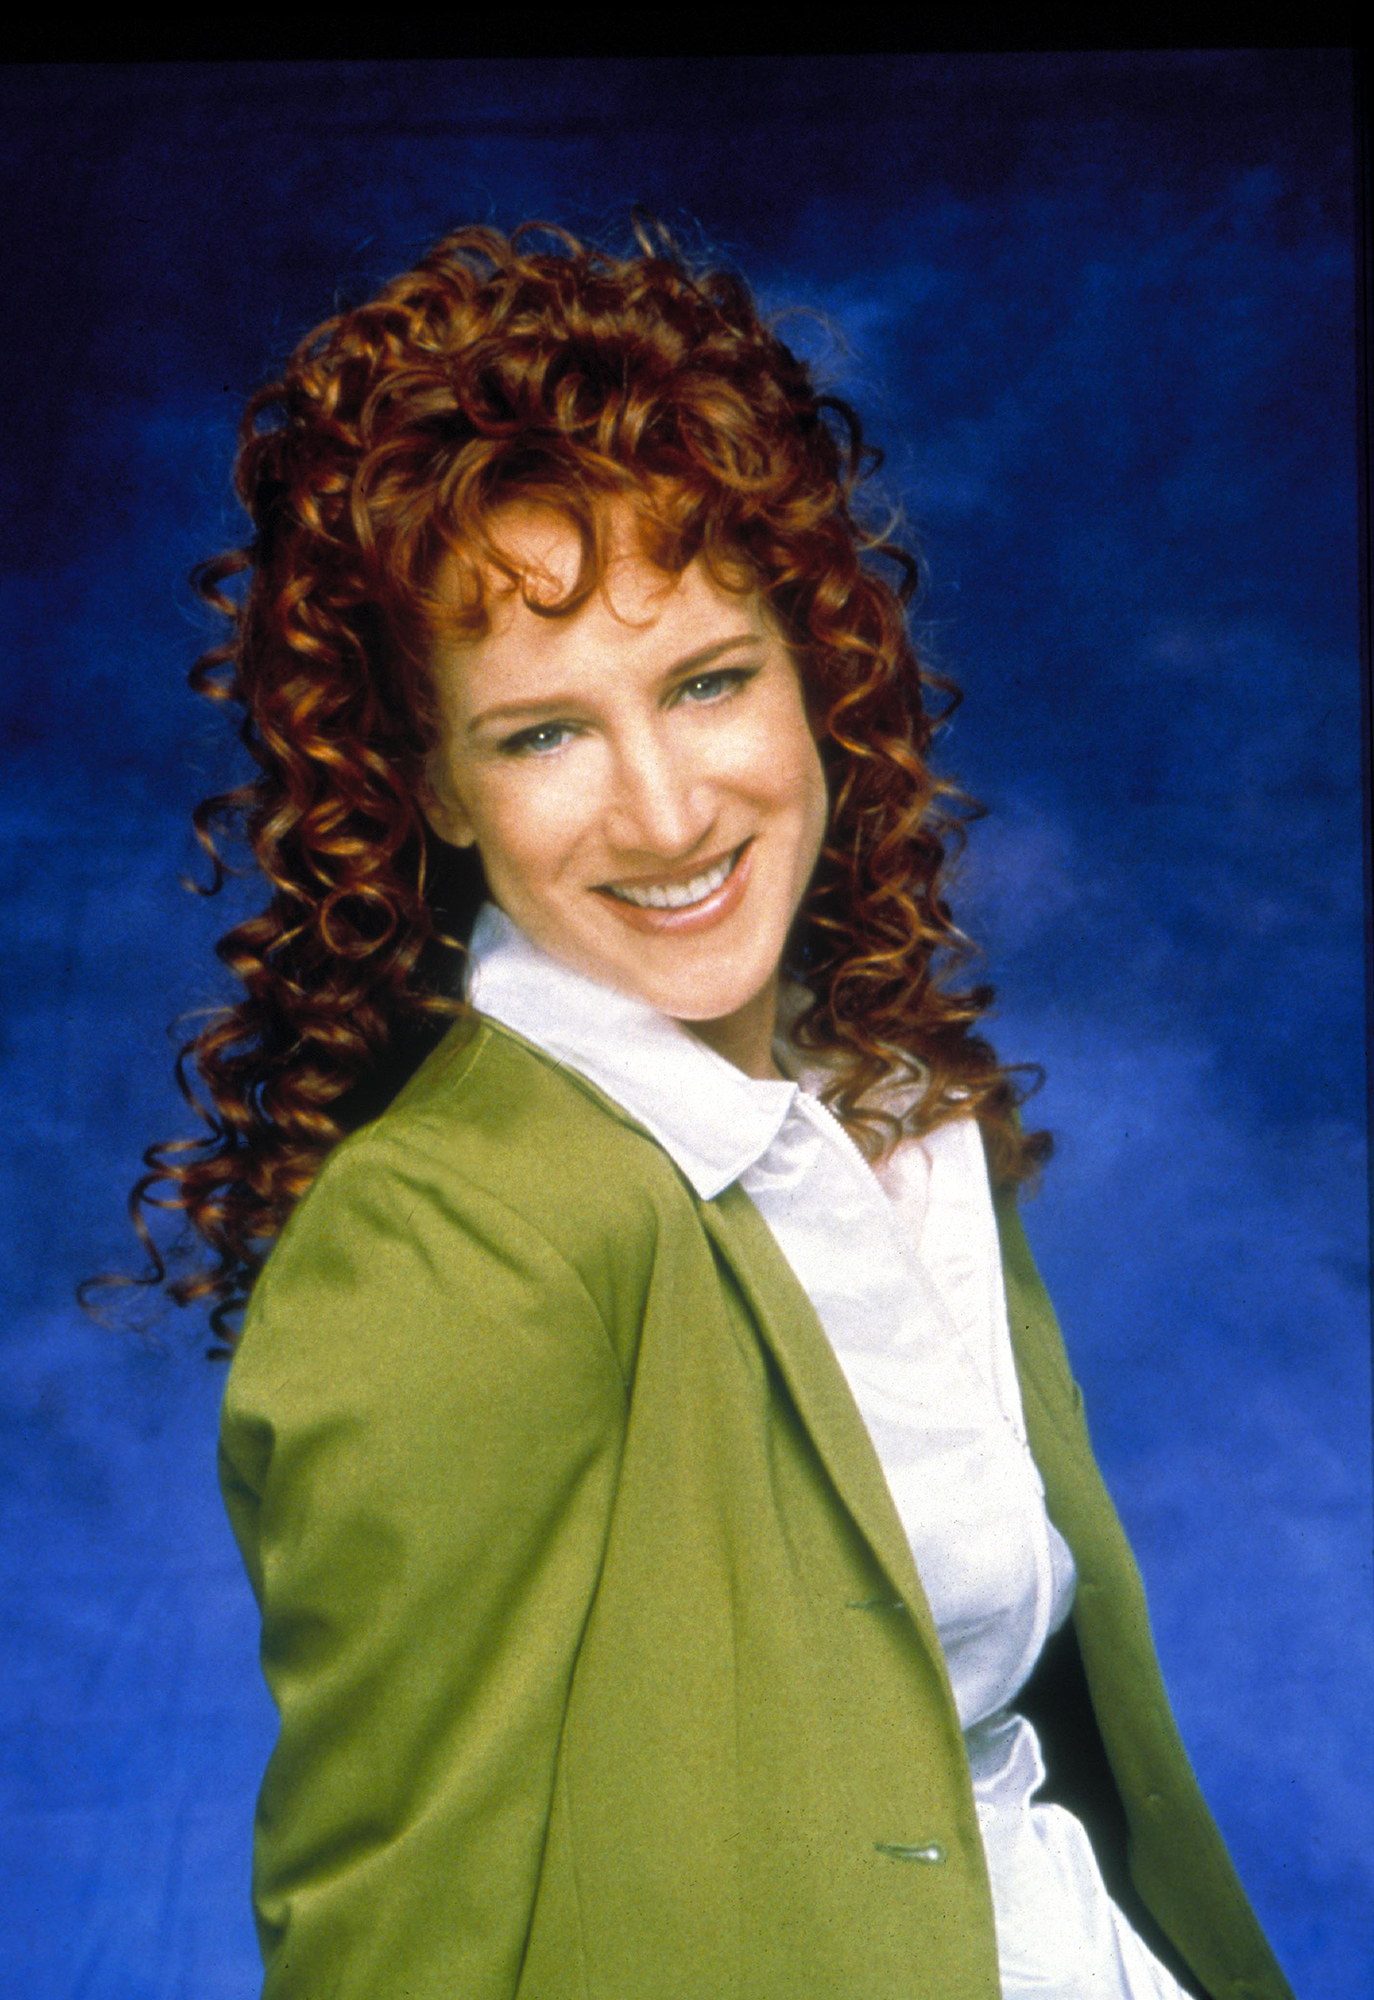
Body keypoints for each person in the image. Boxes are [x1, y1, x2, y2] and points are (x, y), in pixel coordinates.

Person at [126, 220, 1294, 1999]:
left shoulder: (897, 1121)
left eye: (704, 681)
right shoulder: (447, 1240)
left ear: (813, 671)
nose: (666, 812)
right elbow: (390, 1929)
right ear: (433, 787)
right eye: (541, 734)